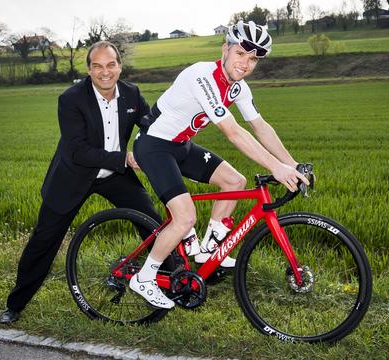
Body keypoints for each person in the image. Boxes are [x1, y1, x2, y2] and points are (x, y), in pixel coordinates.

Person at [130, 21, 309, 309]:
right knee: (185, 217)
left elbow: (260, 127)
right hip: (154, 146)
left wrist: (293, 164)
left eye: (253, 59)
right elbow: (234, 132)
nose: (246, 64)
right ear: (225, 49)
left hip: (180, 145)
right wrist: (276, 167)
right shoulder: (203, 76)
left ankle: (208, 251)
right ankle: (144, 277)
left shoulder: (238, 87)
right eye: (241, 54)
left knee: (235, 182)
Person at [0, 41, 161, 324]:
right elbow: (78, 150)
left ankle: (171, 284)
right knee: (44, 239)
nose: (105, 72)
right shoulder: (71, 99)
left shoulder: (132, 94)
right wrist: (125, 158)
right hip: (74, 176)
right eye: (97, 66)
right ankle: (15, 304)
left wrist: (175, 127)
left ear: (119, 66)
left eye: (111, 65)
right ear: (89, 70)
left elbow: (151, 126)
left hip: (114, 176)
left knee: (151, 223)